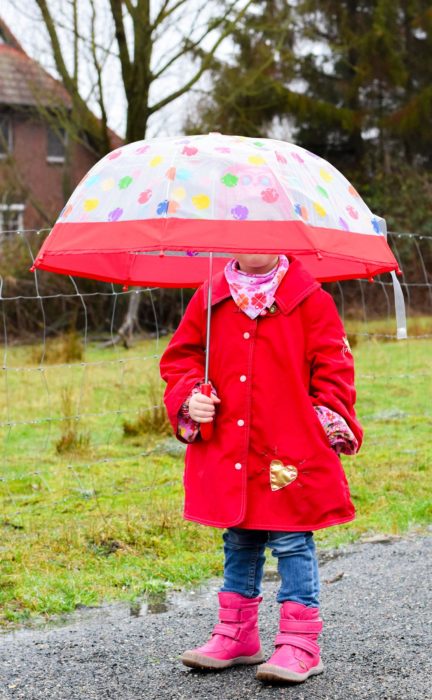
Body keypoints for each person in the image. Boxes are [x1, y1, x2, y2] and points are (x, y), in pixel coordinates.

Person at [160, 253, 363, 684]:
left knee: (291, 538)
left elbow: (334, 365)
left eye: (266, 235)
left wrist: (322, 415)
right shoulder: (210, 299)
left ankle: (300, 642)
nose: (255, 245)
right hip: (231, 443)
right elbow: (182, 358)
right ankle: (237, 634)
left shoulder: (310, 301)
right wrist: (189, 395)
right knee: (239, 536)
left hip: (289, 442)